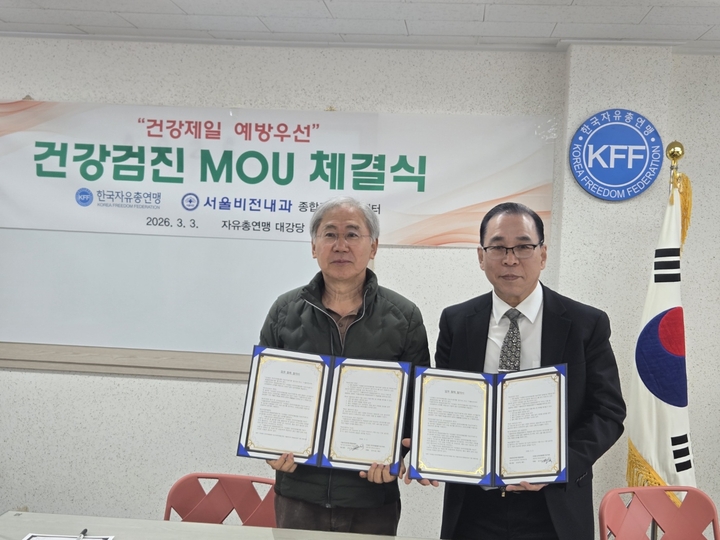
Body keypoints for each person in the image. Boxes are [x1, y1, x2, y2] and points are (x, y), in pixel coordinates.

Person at [435, 202, 626, 540]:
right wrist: (430, 444)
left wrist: (559, 465)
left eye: (523, 246)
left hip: (554, 507)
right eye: (498, 247)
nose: (511, 259)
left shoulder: (586, 324)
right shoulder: (456, 322)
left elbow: (607, 413)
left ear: (543, 254)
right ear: (481, 256)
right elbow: (447, 405)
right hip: (474, 508)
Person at [258, 196, 431, 535]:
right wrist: (267, 446)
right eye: (329, 234)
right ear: (314, 246)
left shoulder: (404, 317)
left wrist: (396, 456)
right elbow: (265, 398)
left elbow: (418, 405)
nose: (341, 245)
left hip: (370, 496)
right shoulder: (284, 311)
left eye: (352, 234)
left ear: (374, 246)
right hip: (299, 493)